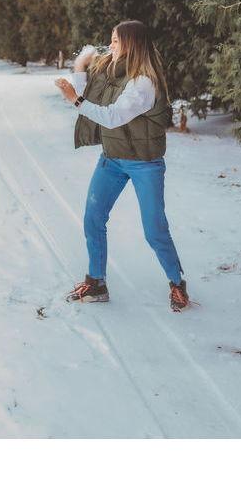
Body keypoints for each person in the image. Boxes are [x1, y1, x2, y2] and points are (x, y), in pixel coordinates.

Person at [53, 20, 191, 312]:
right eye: (111, 40)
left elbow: (113, 116)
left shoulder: (145, 83)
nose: (110, 45)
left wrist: (75, 101)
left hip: (144, 164)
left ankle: (177, 283)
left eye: (116, 40)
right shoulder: (112, 69)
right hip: (113, 158)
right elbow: (93, 95)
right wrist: (79, 69)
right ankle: (96, 283)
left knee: (154, 230)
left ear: (131, 45)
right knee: (93, 218)